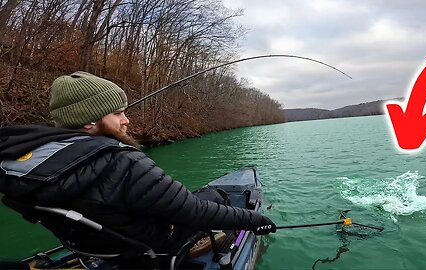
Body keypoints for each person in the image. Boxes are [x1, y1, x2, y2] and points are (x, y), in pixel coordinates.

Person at [0, 71, 276, 255]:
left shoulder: (20, 162)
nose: (127, 120)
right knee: (215, 196)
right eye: (118, 113)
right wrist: (255, 220)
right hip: (148, 244)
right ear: (89, 119)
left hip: (91, 243)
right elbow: (194, 211)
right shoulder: (123, 163)